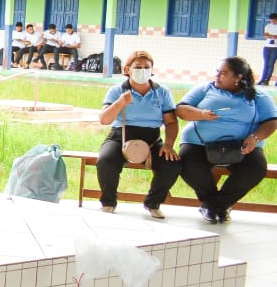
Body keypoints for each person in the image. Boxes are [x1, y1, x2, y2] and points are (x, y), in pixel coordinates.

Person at [175, 56, 277, 224]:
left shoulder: (259, 96)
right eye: (217, 72)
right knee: (189, 166)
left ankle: (213, 206)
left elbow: (272, 122)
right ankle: (219, 207)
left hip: (243, 146)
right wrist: (201, 115)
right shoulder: (205, 89)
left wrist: (254, 138)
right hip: (198, 143)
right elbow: (180, 109)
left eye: (223, 73)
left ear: (238, 78)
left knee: (255, 168)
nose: (217, 76)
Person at [96, 50, 180, 218]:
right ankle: (108, 202)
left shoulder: (162, 92)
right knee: (105, 161)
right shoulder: (116, 90)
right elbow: (104, 119)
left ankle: (153, 203)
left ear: (152, 69)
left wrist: (169, 145)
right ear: (127, 69)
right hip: (121, 136)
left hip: (152, 139)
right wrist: (120, 103)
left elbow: (171, 121)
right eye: (138, 67)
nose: (142, 70)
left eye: (146, 67)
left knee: (172, 165)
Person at [259, 12, 277, 86]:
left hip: (275, 47)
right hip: (267, 47)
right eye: (271, 20)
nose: (272, 21)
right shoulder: (268, 26)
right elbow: (265, 36)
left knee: (271, 64)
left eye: (274, 20)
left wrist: (271, 36)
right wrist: (273, 36)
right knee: (266, 64)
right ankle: (262, 79)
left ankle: (267, 79)